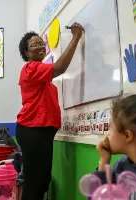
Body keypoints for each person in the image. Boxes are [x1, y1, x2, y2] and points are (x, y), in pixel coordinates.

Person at [16, 22, 84, 200]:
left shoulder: (42, 76)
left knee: (42, 181)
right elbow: (60, 67)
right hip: (32, 130)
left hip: (40, 132)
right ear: (26, 52)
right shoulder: (31, 68)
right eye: (34, 45)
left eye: (41, 43)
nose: (39, 46)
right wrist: (76, 37)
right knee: (35, 182)